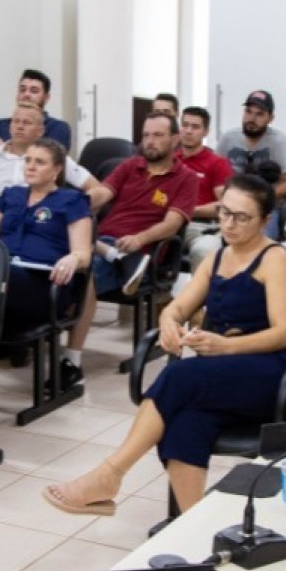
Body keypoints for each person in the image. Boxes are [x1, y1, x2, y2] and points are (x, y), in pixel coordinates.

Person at [43, 174, 286, 516]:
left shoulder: (275, 259)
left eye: (242, 217)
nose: (229, 223)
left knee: (181, 376)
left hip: (271, 372)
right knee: (185, 424)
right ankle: (191, 526)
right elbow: (179, 307)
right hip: (224, 373)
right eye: (225, 213)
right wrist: (168, 322)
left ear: (265, 221)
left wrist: (225, 346)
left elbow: (285, 333)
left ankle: (110, 474)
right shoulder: (216, 258)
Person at [0, 136, 93, 435]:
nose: (30, 166)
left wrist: (72, 258)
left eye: (39, 162)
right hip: (1, 282)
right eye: (27, 160)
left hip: (42, 286)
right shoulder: (11, 194)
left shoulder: (72, 200)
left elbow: (84, 254)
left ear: (56, 171)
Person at [66, 111, 200, 377]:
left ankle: (71, 362)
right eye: (146, 135)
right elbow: (104, 191)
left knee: (84, 274)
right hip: (106, 241)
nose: (150, 141)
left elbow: (172, 224)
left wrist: (140, 238)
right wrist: (80, 202)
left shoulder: (186, 178)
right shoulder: (130, 166)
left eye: (158, 135)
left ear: (175, 139)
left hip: (141, 251)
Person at [0, 102, 113, 214]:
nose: (20, 126)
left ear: (40, 131)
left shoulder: (54, 157)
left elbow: (95, 188)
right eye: (16, 121)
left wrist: (72, 210)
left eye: (27, 123)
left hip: (37, 226)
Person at [213, 89, 286, 238]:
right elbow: (213, 174)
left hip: (264, 208)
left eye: (259, 114)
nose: (252, 119)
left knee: (258, 243)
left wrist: (260, 197)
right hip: (231, 205)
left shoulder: (279, 142)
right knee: (213, 242)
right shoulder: (228, 139)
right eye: (248, 112)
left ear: (270, 118)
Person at [175, 105, 235, 264]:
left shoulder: (217, 163)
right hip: (166, 223)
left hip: (201, 227)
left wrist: (189, 210)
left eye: (195, 127)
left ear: (205, 131)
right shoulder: (170, 160)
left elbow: (227, 205)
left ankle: (201, 289)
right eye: (185, 125)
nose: (188, 131)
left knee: (205, 251)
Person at [0, 70, 73, 152]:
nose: (26, 94)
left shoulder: (58, 127)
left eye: (34, 91)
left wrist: (5, 151)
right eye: (22, 90)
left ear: (46, 97)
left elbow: (49, 161)